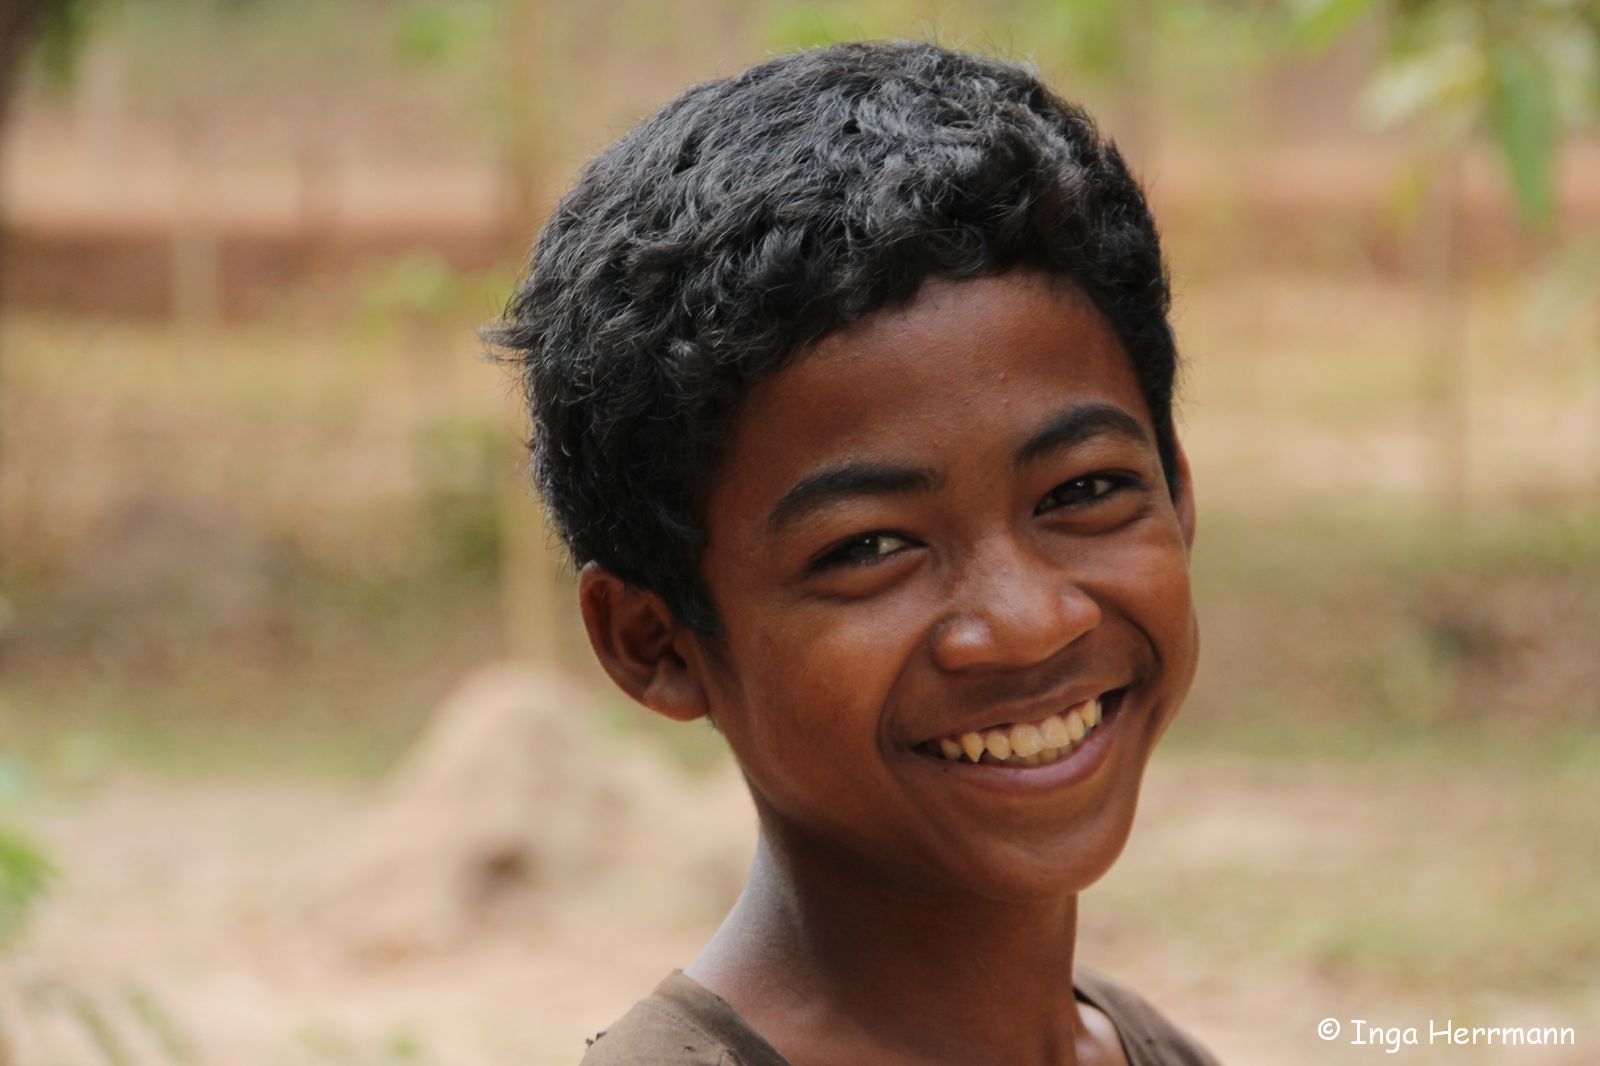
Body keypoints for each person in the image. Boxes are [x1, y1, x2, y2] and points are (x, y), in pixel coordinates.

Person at [491, 40, 1218, 1066]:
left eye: (1083, 491)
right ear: (654, 640)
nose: (1026, 620)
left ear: (1177, 491)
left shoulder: (1141, 1046)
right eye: (870, 547)